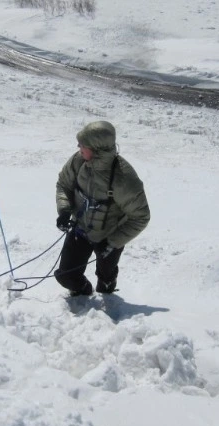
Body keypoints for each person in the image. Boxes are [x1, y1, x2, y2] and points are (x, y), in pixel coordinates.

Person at [54, 121, 151, 300]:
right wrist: (64, 210)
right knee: (65, 276)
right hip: (80, 231)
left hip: (109, 237)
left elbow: (141, 217)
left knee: (105, 283)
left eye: (83, 145)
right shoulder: (78, 160)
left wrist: (113, 242)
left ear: (97, 149)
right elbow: (63, 184)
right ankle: (83, 291)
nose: (78, 147)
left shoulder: (124, 178)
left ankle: (109, 299)